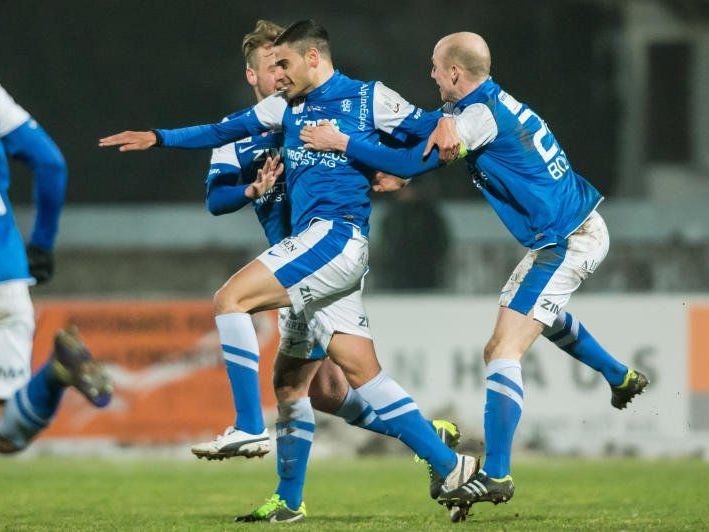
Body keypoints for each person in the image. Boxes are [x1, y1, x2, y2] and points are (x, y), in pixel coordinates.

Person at [99, 20, 471, 523]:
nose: (278, 74)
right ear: (254, 74)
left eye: (284, 63)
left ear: (309, 58)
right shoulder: (278, 111)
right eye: (269, 67)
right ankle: (445, 461)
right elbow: (218, 141)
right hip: (303, 257)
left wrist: (420, 141)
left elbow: (430, 138)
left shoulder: (365, 98)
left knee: (230, 299)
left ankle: (249, 426)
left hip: (328, 242)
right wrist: (157, 138)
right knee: (321, 384)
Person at [299, 31, 649, 519]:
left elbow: (413, 161)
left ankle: (499, 474)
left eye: (436, 68)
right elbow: (423, 150)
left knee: (501, 350)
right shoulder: (483, 107)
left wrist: (344, 142)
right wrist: (418, 146)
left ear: (455, 74)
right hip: (566, 233)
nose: (431, 75)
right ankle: (620, 376)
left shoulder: (478, 117)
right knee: (538, 314)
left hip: (570, 238)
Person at [0, 84, 112, 453]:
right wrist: (42, 244)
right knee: (7, 430)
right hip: (7, 272)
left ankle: (54, 376)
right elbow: (50, 163)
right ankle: (53, 376)